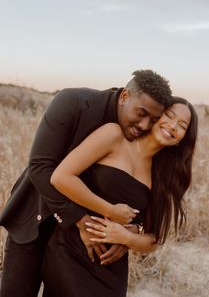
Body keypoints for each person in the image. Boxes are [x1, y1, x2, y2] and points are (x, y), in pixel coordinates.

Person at [0, 70, 172, 297]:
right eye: (141, 113)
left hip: (81, 249)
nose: (143, 125)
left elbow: (131, 190)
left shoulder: (138, 136)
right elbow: (40, 167)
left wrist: (128, 232)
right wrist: (81, 221)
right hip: (36, 220)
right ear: (124, 96)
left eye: (153, 120)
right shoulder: (73, 102)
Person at [41, 97, 198, 297]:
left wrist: (127, 238)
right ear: (156, 116)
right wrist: (108, 212)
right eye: (169, 115)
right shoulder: (114, 135)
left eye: (182, 126)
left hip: (112, 270)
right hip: (71, 251)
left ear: (183, 138)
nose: (173, 126)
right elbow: (61, 178)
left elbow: (153, 240)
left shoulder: (164, 175)